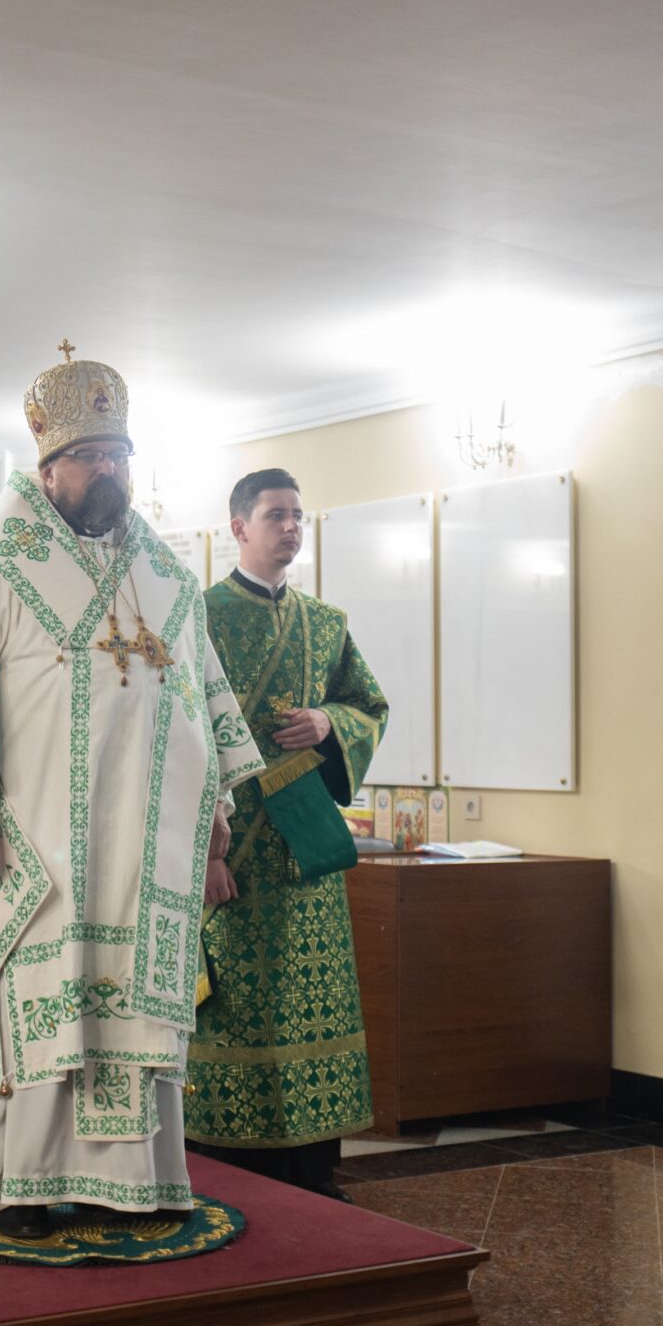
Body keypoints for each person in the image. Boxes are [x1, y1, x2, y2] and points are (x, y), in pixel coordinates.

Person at [0, 341, 264, 1240]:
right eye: (90, 457)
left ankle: (131, 1184)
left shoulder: (167, 574)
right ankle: (21, 1187)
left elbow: (204, 702)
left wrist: (215, 824)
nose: (108, 471)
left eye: (119, 455)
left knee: (130, 1008)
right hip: (36, 835)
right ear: (48, 465)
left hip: (144, 849)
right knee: (38, 1003)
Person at [188, 469, 389, 1200]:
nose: (291, 527)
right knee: (235, 1010)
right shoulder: (196, 616)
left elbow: (368, 702)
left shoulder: (325, 622)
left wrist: (330, 723)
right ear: (238, 527)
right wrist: (201, 850)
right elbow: (177, 736)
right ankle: (228, 1173)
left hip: (303, 855)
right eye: (276, 515)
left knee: (315, 1003)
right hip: (229, 852)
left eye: (299, 516)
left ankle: (313, 1171)